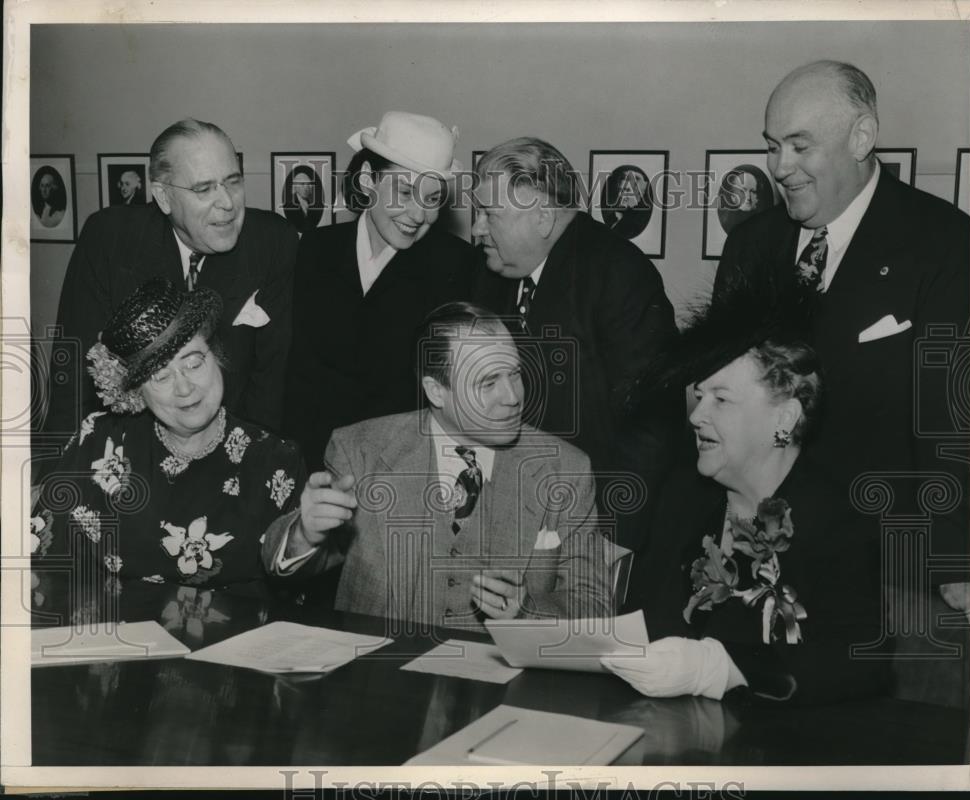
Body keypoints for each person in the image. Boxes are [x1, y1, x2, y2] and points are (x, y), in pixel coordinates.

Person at [712, 61, 970, 609]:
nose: (780, 167)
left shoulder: (945, 244)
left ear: (861, 137)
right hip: (759, 552)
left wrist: (953, 559)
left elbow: (950, 419)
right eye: (772, 146)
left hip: (884, 561)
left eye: (799, 146)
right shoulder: (750, 247)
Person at [264, 302, 613, 631]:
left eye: (515, 373)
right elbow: (282, 565)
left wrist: (526, 611)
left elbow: (595, 607)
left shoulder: (565, 470)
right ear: (436, 391)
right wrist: (305, 534)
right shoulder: (362, 451)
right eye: (488, 382)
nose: (512, 396)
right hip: (378, 668)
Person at [605, 301, 888, 705]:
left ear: (784, 420)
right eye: (698, 396)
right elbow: (644, 625)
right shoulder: (681, 496)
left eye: (720, 400)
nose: (696, 416)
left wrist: (728, 667)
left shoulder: (837, 520)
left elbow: (861, 664)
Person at [471, 137, 686, 553]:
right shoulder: (490, 275)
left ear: (543, 217)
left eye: (489, 214)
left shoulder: (618, 273)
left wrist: (608, 544)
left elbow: (651, 430)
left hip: (596, 528)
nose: (477, 228)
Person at [39, 118, 298, 454]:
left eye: (233, 182)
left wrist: (252, 466)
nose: (228, 203)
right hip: (127, 450)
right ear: (163, 196)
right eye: (204, 189)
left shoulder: (272, 242)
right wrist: (62, 468)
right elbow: (74, 375)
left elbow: (271, 384)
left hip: (231, 449)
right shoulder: (109, 239)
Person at [31, 277, 305, 589]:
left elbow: (297, 583)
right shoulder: (99, 441)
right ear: (137, 391)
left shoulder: (275, 461)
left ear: (217, 357)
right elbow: (42, 557)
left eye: (194, 363)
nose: (185, 388)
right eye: (160, 376)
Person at [282, 111, 481, 471]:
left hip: (406, 473)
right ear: (367, 180)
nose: (418, 215)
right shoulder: (313, 251)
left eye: (432, 199)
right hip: (316, 468)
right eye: (404, 192)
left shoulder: (456, 265)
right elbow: (297, 379)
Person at [717, 164, 774, 234]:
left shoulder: (762, 222)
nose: (748, 197)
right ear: (732, 195)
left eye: (753, 191)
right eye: (742, 191)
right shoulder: (729, 223)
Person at [601, 164, 653, 240]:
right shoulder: (611, 215)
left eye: (627, 190)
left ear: (639, 194)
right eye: (620, 190)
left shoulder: (637, 223)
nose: (621, 195)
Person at [281, 164, 324, 233]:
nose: (306, 188)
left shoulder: (314, 207)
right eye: (302, 184)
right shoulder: (289, 207)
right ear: (295, 187)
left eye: (308, 184)